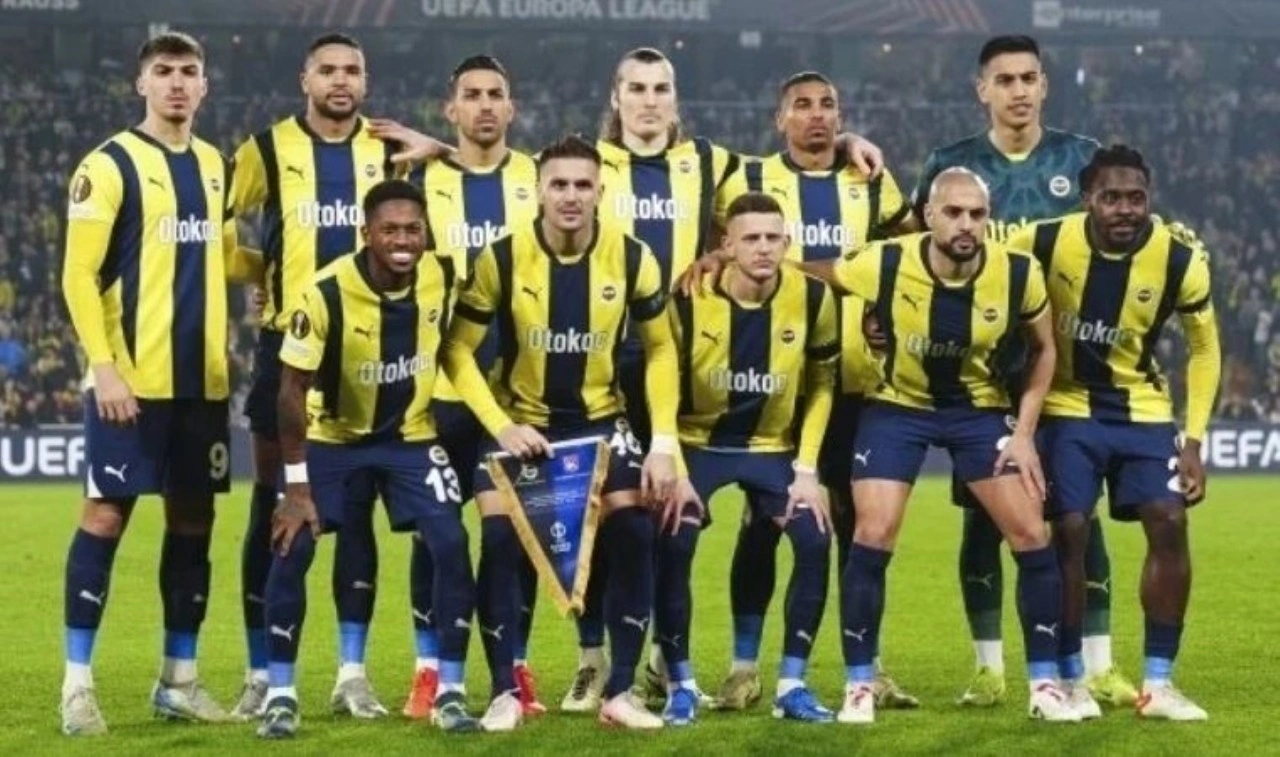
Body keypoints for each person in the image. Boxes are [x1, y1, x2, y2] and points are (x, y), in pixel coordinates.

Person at [798, 168, 1077, 725]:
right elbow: (819, 271)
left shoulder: (1017, 272)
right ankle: (859, 686)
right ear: (928, 216)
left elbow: (1044, 349)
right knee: (872, 533)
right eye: (953, 212)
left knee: (1032, 534)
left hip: (979, 410)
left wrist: (1024, 434)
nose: (966, 224)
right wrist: (740, 260)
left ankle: (1045, 685)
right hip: (898, 407)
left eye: (977, 214)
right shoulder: (885, 261)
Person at [908, 35, 1136, 708]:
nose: (1018, 90)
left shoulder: (1082, 158)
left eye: (1029, 78)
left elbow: (1125, 241)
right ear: (982, 89)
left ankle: (1097, 664)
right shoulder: (950, 167)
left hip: (1065, 370)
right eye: (1004, 79)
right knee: (984, 519)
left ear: (1045, 85)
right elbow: (910, 250)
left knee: (1077, 514)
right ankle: (989, 668)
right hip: (978, 372)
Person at [442, 135, 679, 730]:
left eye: (582, 185)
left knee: (634, 529)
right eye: (559, 184)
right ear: (538, 191)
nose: (571, 196)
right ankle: (504, 692)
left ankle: (620, 693)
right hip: (524, 422)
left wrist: (663, 443)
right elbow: (457, 351)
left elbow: (660, 349)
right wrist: (502, 425)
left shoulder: (633, 258)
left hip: (600, 421)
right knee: (499, 539)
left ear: (600, 191)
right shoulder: (500, 258)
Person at [59, 31, 259, 736]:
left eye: (189, 71)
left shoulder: (215, 165)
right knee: (105, 517)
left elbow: (223, 255)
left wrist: (275, 267)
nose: (177, 82)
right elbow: (78, 273)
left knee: (193, 525)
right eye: (164, 71)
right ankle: (76, 685)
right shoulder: (108, 164)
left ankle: (179, 679)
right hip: (130, 383)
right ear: (141, 84)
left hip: (201, 386)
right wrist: (104, 366)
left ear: (204, 86)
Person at [705, 70, 917, 712]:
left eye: (828, 106)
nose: (816, 115)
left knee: (859, 528)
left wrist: (885, 310)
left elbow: (909, 252)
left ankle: (867, 665)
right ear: (780, 119)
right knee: (763, 525)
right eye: (801, 105)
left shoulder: (870, 179)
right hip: (778, 386)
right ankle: (744, 667)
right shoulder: (746, 180)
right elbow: (714, 252)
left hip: (857, 382)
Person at [259, 179, 479, 737]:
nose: (402, 241)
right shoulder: (325, 293)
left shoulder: (444, 274)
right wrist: (297, 487)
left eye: (412, 229)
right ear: (366, 234)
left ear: (426, 233)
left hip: (410, 437)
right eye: (390, 230)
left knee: (451, 541)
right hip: (333, 438)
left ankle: (451, 692)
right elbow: (290, 390)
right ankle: (280, 695)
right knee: (293, 543)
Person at [1007, 145, 1220, 720]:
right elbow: (985, 280)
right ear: (1087, 200)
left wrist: (1194, 441)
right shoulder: (1041, 240)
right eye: (1111, 198)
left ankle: (1160, 684)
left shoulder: (1179, 259)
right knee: (1068, 529)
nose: (1125, 209)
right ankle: (1069, 678)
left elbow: (1204, 349)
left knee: (1170, 520)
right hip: (1065, 405)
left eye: (1136, 198)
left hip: (1141, 409)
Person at [230, 32, 398, 720]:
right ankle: (259, 670)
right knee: (273, 505)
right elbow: (213, 222)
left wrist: (433, 145)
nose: (340, 80)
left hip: (364, 349)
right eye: (327, 69)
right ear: (305, 79)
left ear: (365, 80)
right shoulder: (266, 150)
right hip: (285, 349)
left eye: (352, 70)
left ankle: (351, 672)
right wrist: (260, 271)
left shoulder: (389, 151)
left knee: (354, 508)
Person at [656, 192, 838, 726]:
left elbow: (823, 383)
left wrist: (807, 471)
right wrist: (672, 463)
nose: (763, 248)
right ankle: (680, 685)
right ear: (727, 246)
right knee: (673, 538)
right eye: (751, 238)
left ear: (787, 242)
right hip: (698, 443)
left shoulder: (813, 297)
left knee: (814, 536)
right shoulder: (689, 297)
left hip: (772, 449)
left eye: (773, 238)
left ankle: (792, 685)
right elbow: (660, 378)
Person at [402, 53, 545, 720]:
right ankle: (428, 669)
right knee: (433, 539)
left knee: (507, 538)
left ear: (511, 108)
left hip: (510, 402)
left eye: (495, 94)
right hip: (432, 397)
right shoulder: (420, 180)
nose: (485, 105)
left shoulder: (538, 179)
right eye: (472, 94)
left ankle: (512, 666)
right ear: (450, 109)